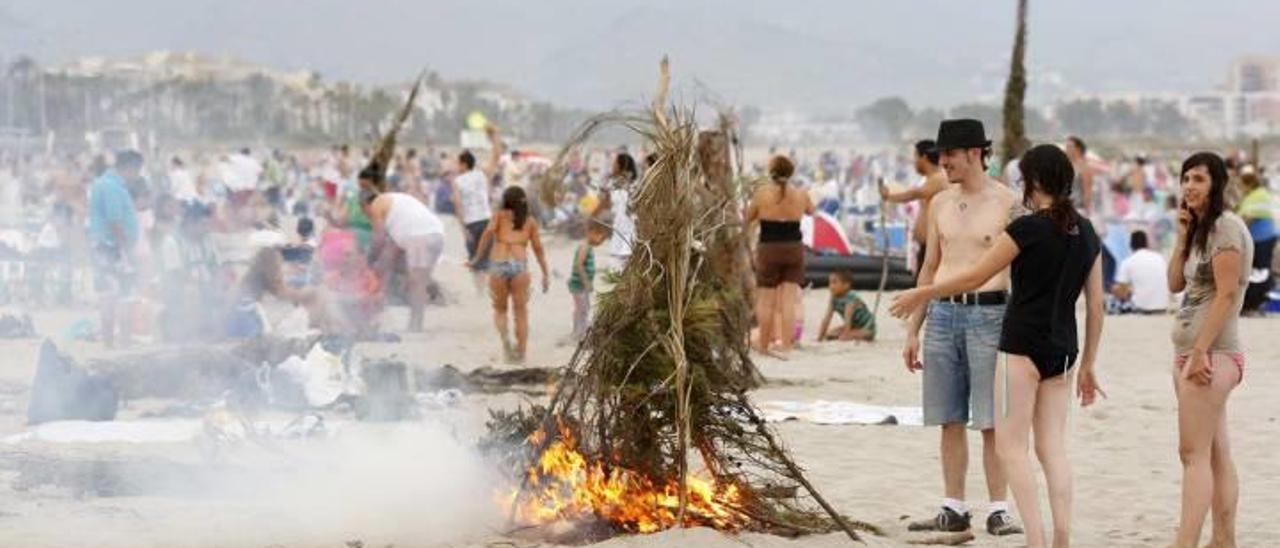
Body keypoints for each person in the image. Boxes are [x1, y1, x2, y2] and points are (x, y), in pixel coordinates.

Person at [891, 144, 1106, 548]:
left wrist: (922, 294)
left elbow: (973, 277)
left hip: (1021, 346)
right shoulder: (1087, 231)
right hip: (1064, 351)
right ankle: (1062, 537)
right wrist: (1091, 362)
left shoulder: (1025, 229)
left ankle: (1037, 540)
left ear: (1035, 182)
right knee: (1053, 449)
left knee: (1012, 447)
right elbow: (1096, 305)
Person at [900, 119, 1021, 536]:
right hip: (942, 315)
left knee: (991, 420)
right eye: (940, 155)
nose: (943, 162)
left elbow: (1021, 270)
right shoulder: (939, 203)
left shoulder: (1008, 202)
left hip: (990, 314)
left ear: (975, 153)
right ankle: (953, 505)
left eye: (949, 154)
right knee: (948, 416)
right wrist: (913, 329)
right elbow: (930, 267)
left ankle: (999, 508)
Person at [1167, 152, 1252, 548]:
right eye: (1186, 178)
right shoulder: (1201, 230)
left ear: (1216, 184)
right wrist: (1182, 236)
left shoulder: (1226, 229)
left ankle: (1184, 543)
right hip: (1193, 354)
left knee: (1191, 454)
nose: (1189, 186)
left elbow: (1227, 293)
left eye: (1199, 179)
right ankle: (1223, 540)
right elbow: (1172, 284)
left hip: (1213, 355)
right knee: (1215, 453)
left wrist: (1200, 352)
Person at [746, 154, 814, 354]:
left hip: (769, 247)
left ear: (771, 172)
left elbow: (748, 217)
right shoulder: (801, 194)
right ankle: (786, 344)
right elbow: (811, 210)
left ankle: (764, 344)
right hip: (794, 247)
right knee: (788, 301)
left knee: (766, 300)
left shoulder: (761, 194)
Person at [473, 186, 549, 363]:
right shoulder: (530, 222)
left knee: (500, 309)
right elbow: (538, 249)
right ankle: (521, 354)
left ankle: (506, 344)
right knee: (521, 312)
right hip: (519, 265)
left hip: (498, 263)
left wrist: (477, 258)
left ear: (506, 200)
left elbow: (486, 235)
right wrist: (545, 272)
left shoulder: (499, 216)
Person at [363, 178, 446, 333]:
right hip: (436, 234)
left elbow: (379, 239)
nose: (369, 219)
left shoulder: (376, 205)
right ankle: (427, 305)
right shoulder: (397, 205)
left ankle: (416, 325)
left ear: (366, 205)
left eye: (366, 214)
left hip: (421, 236)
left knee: (417, 283)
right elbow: (389, 254)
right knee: (416, 279)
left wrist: (368, 260)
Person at [88, 150, 143, 348]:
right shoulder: (112, 187)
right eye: (137, 170)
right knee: (123, 295)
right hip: (113, 248)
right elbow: (115, 221)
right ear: (130, 167)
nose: (137, 175)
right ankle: (122, 342)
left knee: (107, 294)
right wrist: (128, 249)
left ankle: (110, 343)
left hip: (104, 247)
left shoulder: (105, 183)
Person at [880, 140, 949, 279]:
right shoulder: (931, 180)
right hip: (927, 246)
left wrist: (888, 196)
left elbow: (912, 194)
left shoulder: (939, 178)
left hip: (934, 247)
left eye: (915, 156)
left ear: (923, 157)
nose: (914, 161)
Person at [452, 126, 504, 290]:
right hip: (486, 221)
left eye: (457, 163)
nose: (456, 166)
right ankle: (491, 294)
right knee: (489, 260)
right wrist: (495, 136)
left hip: (472, 224)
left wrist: (463, 230)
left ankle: (480, 294)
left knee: (475, 262)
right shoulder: (483, 174)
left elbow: (459, 207)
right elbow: (496, 156)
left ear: (463, 164)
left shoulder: (457, 182)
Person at [1235, 170, 1275, 315]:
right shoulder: (1253, 195)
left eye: (1241, 185)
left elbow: (1248, 219)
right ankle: (1254, 304)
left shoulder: (1258, 195)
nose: (1240, 188)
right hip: (1257, 240)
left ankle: (1253, 305)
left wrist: (1234, 234)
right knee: (1256, 273)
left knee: (1259, 274)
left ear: (1249, 184)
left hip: (1261, 240)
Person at [594, 152, 639, 271]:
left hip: (628, 226)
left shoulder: (630, 184)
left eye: (615, 163)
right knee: (617, 261)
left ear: (621, 166)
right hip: (619, 225)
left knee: (621, 260)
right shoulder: (616, 182)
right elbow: (604, 199)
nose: (612, 166)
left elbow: (605, 200)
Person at [567, 219, 610, 342]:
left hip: (580, 285)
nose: (601, 240)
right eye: (600, 236)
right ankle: (579, 333)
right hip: (579, 285)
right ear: (590, 232)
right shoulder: (584, 247)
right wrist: (586, 282)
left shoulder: (589, 247)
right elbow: (579, 265)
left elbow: (587, 266)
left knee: (582, 308)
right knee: (582, 309)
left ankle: (579, 331)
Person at [1113, 230, 1170, 314]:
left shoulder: (1128, 262)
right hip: (1162, 306)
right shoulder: (1160, 258)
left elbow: (1121, 292)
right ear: (1146, 244)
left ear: (1131, 245)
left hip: (1140, 308)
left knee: (1116, 289)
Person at [816, 269, 875, 342]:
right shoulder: (833, 298)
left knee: (843, 337)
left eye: (834, 282)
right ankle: (850, 333)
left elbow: (848, 318)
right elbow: (827, 318)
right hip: (853, 327)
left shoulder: (851, 298)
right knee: (829, 334)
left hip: (866, 328)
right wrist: (820, 337)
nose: (831, 286)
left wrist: (846, 335)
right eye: (830, 283)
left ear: (846, 285)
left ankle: (854, 334)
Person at [1065, 136, 1094, 215]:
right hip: (1065, 208)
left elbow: (1087, 189)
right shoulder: (1066, 166)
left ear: (1078, 149)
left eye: (1069, 146)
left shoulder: (1084, 167)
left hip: (1078, 208)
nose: (1066, 149)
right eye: (1066, 146)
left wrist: (1086, 210)